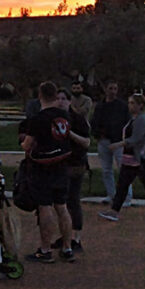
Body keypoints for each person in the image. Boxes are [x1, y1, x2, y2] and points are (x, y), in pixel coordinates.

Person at [22, 81, 84, 264]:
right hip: (62, 165)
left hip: (43, 167)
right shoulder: (64, 116)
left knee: (45, 207)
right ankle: (67, 247)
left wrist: (24, 143)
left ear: (40, 95)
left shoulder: (38, 119)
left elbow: (27, 145)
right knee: (62, 207)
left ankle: (45, 249)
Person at [99, 94, 145, 224]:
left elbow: (135, 139)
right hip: (130, 159)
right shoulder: (135, 119)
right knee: (123, 185)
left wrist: (118, 144)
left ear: (140, 105)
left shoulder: (142, 120)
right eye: (129, 103)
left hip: (141, 160)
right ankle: (114, 211)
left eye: (132, 103)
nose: (129, 105)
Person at [56, 89, 90, 252]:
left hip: (76, 164)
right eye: (58, 98)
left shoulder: (77, 119)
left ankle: (76, 237)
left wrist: (69, 134)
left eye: (64, 98)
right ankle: (65, 235)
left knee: (73, 200)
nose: (60, 101)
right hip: (60, 165)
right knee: (61, 202)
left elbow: (86, 142)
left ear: (69, 101)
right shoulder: (54, 119)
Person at [91, 80, 132, 206]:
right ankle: (111, 194)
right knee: (106, 170)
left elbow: (128, 122)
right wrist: (97, 135)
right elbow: (94, 122)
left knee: (123, 169)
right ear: (105, 89)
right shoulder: (100, 106)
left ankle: (126, 197)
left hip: (118, 141)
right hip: (104, 140)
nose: (113, 91)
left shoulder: (122, 106)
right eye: (110, 88)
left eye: (115, 88)